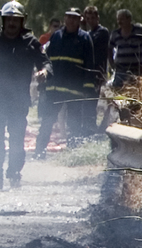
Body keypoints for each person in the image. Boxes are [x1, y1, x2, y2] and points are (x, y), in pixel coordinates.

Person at [0, 1, 44, 188]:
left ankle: (15, 171)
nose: (11, 24)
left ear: (22, 22)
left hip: (18, 101)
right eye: (8, 20)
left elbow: (45, 63)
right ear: (3, 20)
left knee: (17, 140)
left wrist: (44, 72)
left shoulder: (31, 43)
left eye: (15, 20)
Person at [38, 8, 98, 154]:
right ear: (64, 18)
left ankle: (72, 154)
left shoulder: (85, 39)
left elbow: (90, 65)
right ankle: (39, 152)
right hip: (54, 90)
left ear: (80, 20)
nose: (71, 20)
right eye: (69, 17)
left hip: (74, 92)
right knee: (47, 121)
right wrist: (44, 77)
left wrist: (88, 89)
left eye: (75, 18)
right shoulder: (56, 36)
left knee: (74, 124)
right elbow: (47, 60)